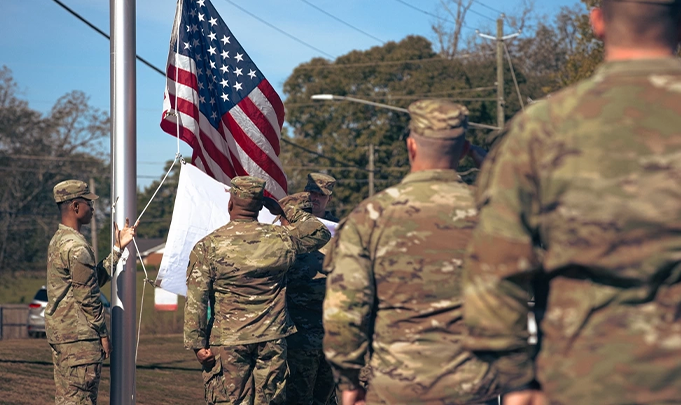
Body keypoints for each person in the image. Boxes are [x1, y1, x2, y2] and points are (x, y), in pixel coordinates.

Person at [462, 0, 681, 405]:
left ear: (597, 22)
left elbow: (495, 266)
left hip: (581, 381)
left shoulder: (544, 127)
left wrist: (516, 382)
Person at [323, 100, 500, 405]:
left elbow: (344, 312)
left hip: (396, 387)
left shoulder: (371, 215)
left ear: (411, 147)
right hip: (474, 386)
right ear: (464, 150)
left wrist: (349, 382)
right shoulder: (495, 212)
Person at [184, 176, 331, 405]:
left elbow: (197, 299)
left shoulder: (208, 246)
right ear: (261, 205)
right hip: (271, 340)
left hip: (228, 340)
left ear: (230, 203)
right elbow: (319, 232)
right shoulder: (280, 239)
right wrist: (285, 211)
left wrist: (197, 343)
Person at [46, 179, 138, 405]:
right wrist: (103, 335)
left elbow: (91, 279)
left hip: (65, 336)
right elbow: (88, 296)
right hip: (80, 339)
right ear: (76, 207)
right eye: (89, 203)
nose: (93, 208)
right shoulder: (77, 247)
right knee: (80, 400)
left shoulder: (59, 240)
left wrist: (117, 249)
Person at [282, 192, 336, 405]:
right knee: (323, 399)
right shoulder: (336, 247)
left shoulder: (285, 249)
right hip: (331, 338)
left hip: (299, 341)